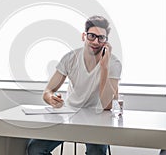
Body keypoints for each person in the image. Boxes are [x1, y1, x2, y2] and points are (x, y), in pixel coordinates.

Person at [26, 15, 122, 155]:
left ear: (106, 41)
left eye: (101, 38)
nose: (96, 41)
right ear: (84, 36)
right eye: (92, 36)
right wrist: (51, 98)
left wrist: (104, 67)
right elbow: (47, 91)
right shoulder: (70, 58)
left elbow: (107, 105)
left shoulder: (113, 63)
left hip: (98, 121)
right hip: (71, 117)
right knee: (35, 148)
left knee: (96, 152)